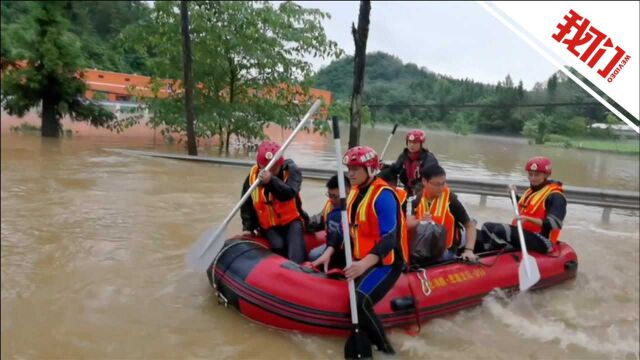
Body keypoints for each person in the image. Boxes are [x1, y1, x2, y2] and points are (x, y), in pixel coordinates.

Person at [312, 146, 409, 354]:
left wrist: (364, 264)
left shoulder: (383, 196)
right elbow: (345, 229)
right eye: (349, 168)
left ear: (370, 169)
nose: (351, 173)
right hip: (362, 257)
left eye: (356, 168)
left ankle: (386, 350)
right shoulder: (354, 193)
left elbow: (390, 238)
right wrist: (329, 251)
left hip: (387, 262)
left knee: (359, 301)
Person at [477, 156, 566, 254]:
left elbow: (555, 224)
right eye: (530, 175)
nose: (532, 178)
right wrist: (513, 195)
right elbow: (522, 209)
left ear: (546, 175)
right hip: (525, 233)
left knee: (502, 230)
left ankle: (497, 256)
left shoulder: (555, 196)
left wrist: (528, 219)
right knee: (487, 227)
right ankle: (487, 256)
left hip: (543, 241)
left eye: (537, 175)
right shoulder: (532, 191)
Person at [240, 140, 307, 263]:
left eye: (274, 168)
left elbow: (288, 194)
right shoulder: (252, 177)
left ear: (280, 164)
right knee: (278, 246)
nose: (270, 171)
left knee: (296, 255)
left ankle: (298, 271)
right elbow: (246, 204)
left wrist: (271, 180)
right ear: (259, 165)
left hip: (291, 221)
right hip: (269, 226)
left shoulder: (292, 171)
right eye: (266, 168)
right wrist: (247, 227)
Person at [408, 164, 478, 262]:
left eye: (443, 183)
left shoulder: (451, 199)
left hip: (445, 251)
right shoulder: (416, 200)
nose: (441, 188)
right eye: (437, 184)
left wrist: (469, 250)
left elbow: (470, 225)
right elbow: (410, 225)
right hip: (422, 248)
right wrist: (420, 221)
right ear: (424, 181)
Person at [305, 175, 350, 267]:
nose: (331, 199)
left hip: (346, 248)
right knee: (312, 255)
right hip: (330, 243)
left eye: (335, 197)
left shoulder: (353, 207)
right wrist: (306, 223)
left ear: (347, 192)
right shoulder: (329, 205)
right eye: (330, 195)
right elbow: (320, 219)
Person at [379, 129, 438, 196]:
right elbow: (395, 168)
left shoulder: (428, 158)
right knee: (387, 172)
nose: (412, 145)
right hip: (408, 186)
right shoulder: (404, 155)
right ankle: (386, 192)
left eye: (415, 143)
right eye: (410, 142)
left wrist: (418, 187)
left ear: (421, 144)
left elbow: (432, 176)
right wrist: (383, 166)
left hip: (423, 187)